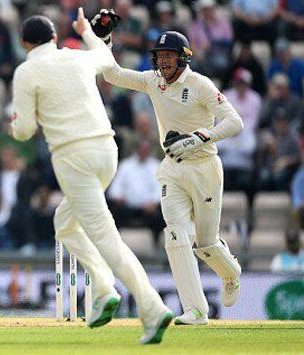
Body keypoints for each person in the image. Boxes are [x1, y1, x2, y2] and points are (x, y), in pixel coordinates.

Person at [9, 11, 172, 345]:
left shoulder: (26, 71)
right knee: (65, 223)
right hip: (107, 152)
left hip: (74, 159)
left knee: (105, 238)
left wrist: (13, 125)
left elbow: (24, 131)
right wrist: (86, 31)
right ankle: (102, 289)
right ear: (55, 38)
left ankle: (152, 308)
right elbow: (104, 56)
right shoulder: (76, 56)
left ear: (24, 43)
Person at [92, 10, 244, 326]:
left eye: (169, 57)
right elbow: (113, 74)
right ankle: (196, 310)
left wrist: (202, 137)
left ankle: (231, 272)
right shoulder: (153, 81)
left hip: (204, 166)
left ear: (183, 58)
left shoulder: (200, 85)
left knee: (206, 245)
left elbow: (235, 122)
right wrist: (104, 40)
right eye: (159, 56)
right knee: (174, 236)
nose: (163, 62)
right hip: (172, 168)